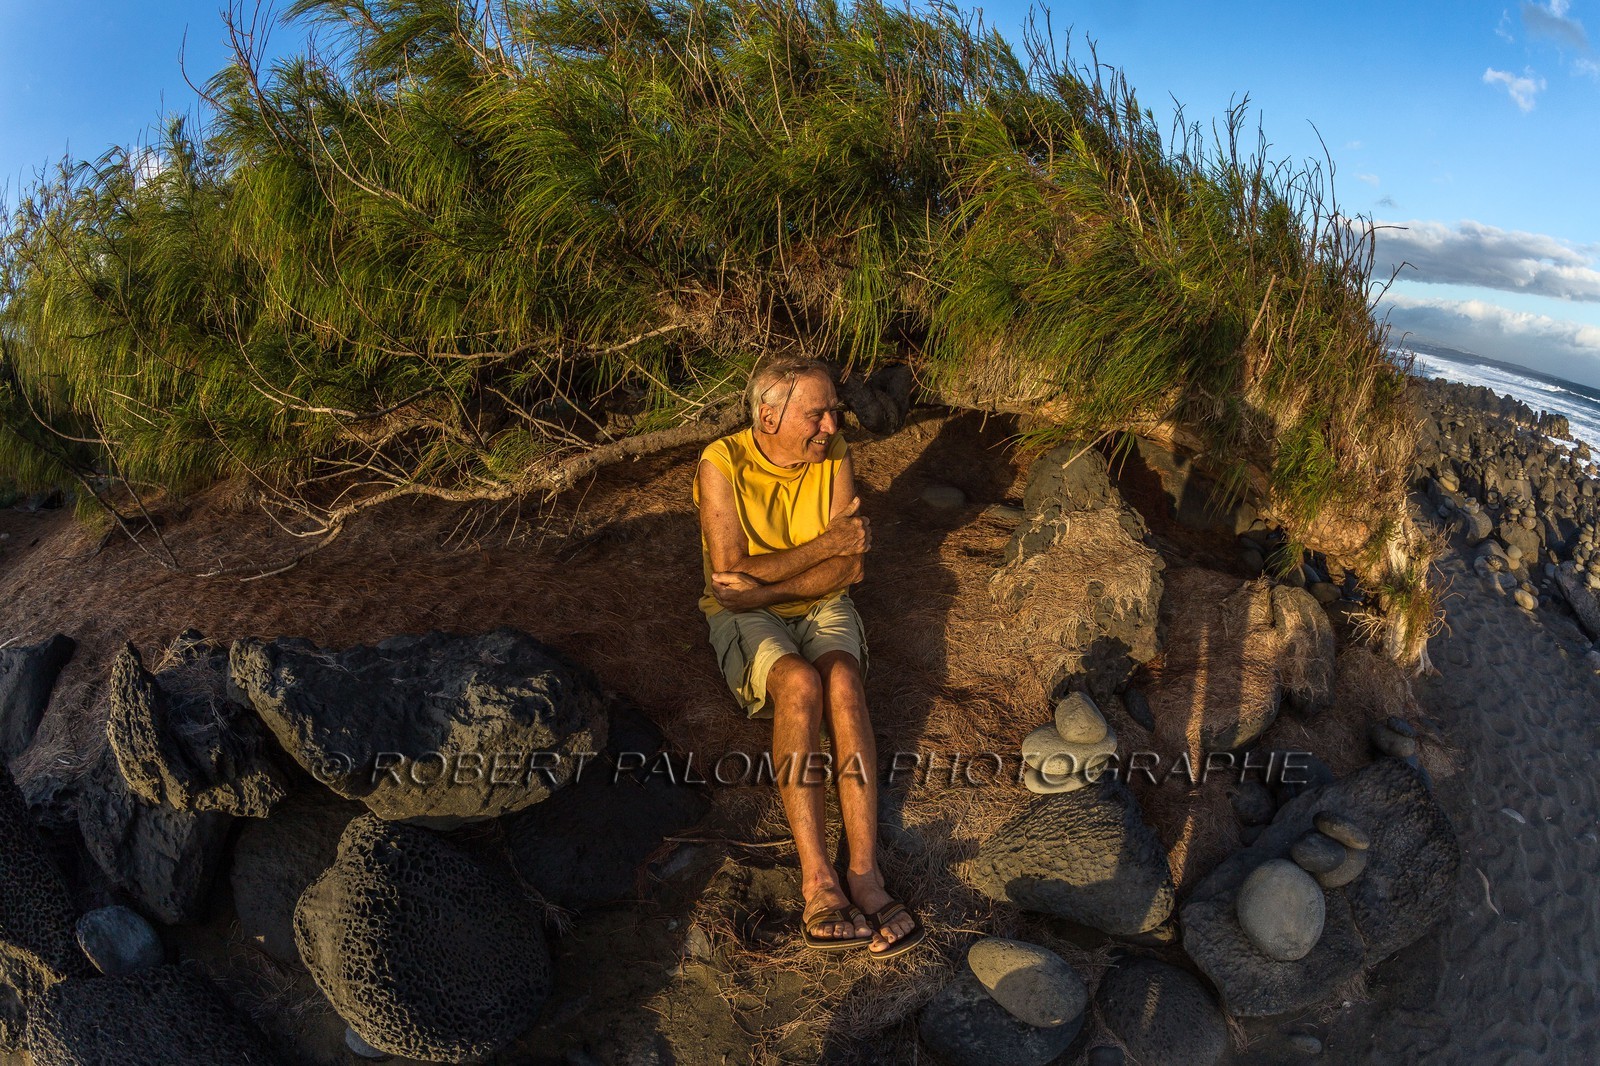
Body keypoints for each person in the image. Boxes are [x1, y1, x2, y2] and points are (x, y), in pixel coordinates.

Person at [692, 356, 924, 958]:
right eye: (815, 414)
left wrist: (763, 585)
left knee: (843, 682)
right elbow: (728, 577)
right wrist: (818, 549)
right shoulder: (722, 464)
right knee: (798, 685)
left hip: (813, 600)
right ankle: (819, 881)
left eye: (833, 412)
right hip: (748, 613)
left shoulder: (835, 453)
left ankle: (866, 876)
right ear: (768, 415)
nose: (830, 425)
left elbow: (851, 566)